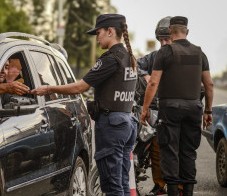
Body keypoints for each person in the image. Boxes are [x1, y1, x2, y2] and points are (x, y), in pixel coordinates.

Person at [32, 14, 138, 196]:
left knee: (112, 186)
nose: (97, 39)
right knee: (121, 182)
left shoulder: (110, 59)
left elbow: (80, 86)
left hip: (112, 126)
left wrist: (49, 88)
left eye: (99, 33)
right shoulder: (129, 56)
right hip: (127, 122)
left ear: (110, 31)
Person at [140, 16, 214, 196]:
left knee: (170, 152)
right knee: (188, 152)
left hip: (170, 109)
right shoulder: (200, 53)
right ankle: (186, 192)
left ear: (171, 33)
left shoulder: (164, 53)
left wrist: (145, 109)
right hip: (194, 108)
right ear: (187, 32)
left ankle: (172, 191)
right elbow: (209, 84)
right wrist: (208, 110)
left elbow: (152, 84)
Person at [137, 16, 172, 196]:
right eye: (161, 40)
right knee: (157, 150)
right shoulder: (153, 57)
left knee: (175, 151)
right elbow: (136, 64)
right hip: (157, 111)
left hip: (176, 111)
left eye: (167, 39)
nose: (164, 43)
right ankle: (159, 185)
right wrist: (144, 75)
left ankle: (179, 187)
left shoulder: (185, 57)